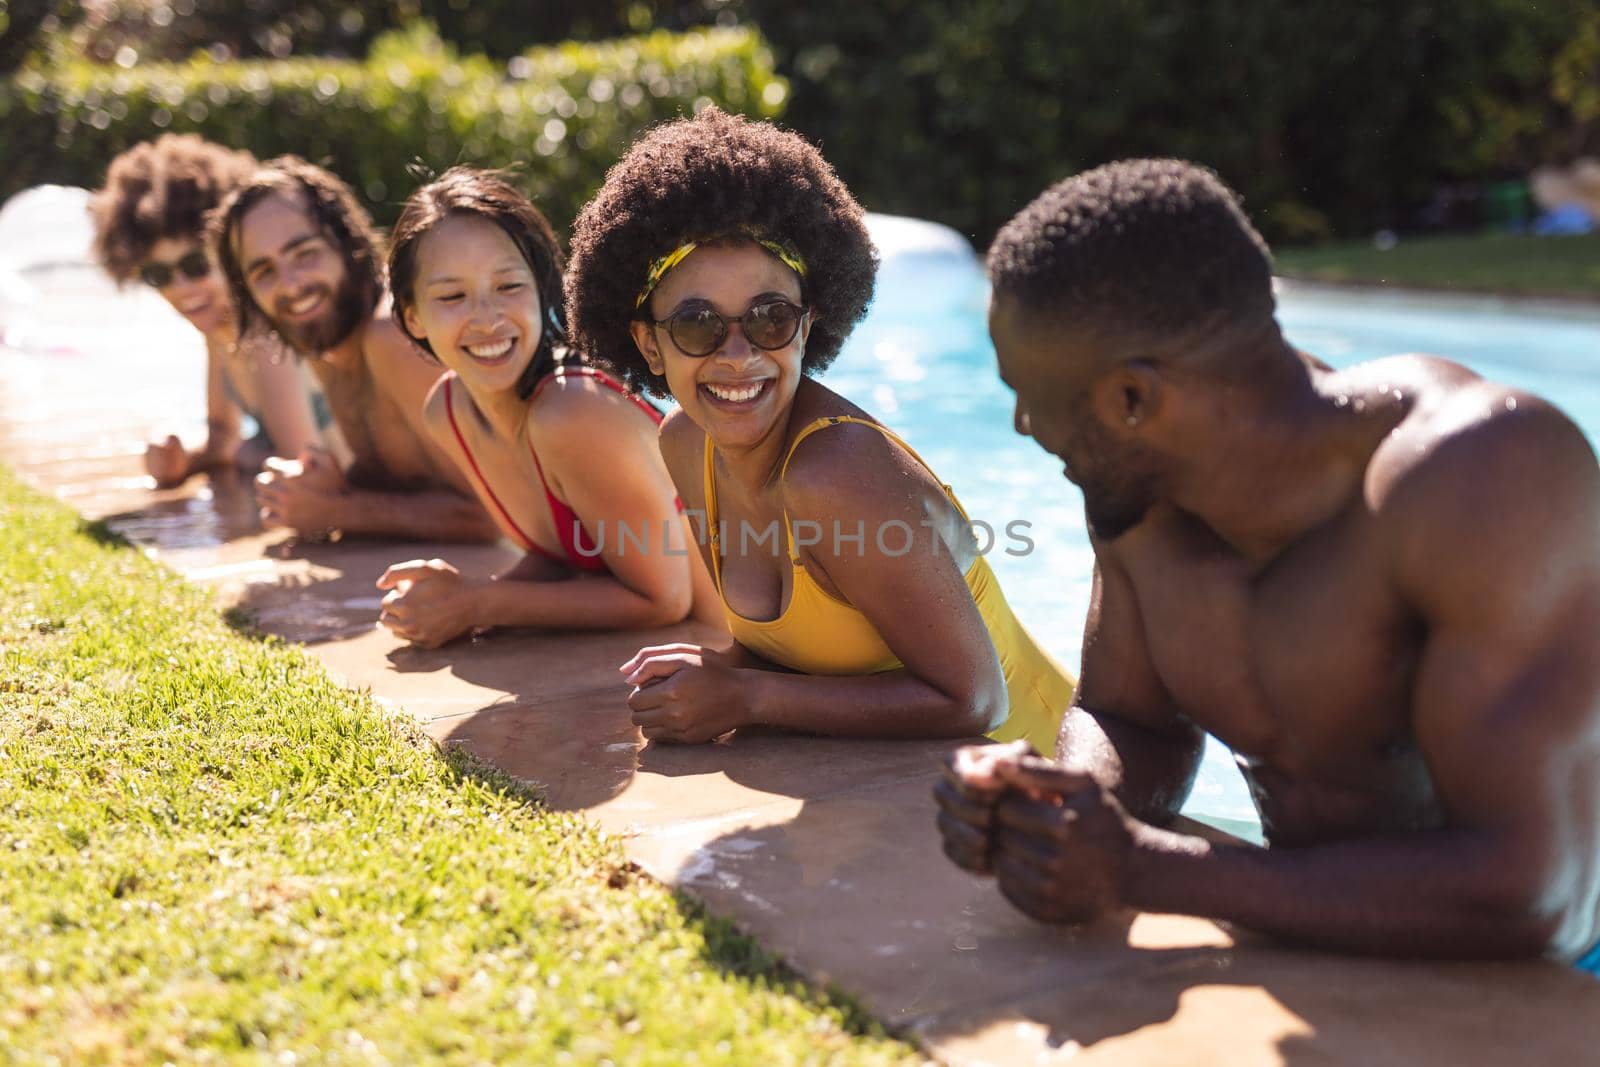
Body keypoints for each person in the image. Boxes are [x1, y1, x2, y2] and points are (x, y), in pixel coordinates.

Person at [934, 158, 1600, 967]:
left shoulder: (1482, 480)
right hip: (1331, 948)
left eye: (1031, 393)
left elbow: (1536, 891)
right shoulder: (1136, 488)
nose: (1021, 424)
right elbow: (1133, 719)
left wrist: (1146, 869)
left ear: (1134, 401)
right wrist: (1061, 809)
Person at [565, 108, 1072, 751]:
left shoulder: (840, 471)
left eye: (770, 318)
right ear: (650, 344)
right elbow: (798, 651)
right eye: (697, 323)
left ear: (807, 327)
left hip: (1051, 781)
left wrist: (744, 696)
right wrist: (726, 670)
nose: (737, 354)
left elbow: (974, 699)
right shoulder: (685, 444)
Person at [375, 167, 721, 647]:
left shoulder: (574, 410)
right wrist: (454, 597)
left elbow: (664, 599)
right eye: (453, 296)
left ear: (542, 290)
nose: (488, 318)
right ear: (412, 317)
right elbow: (568, 551)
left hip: (754, 649)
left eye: (509, 286)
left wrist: (477, 603)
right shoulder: (449, 412)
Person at [209, 157, 496, 542]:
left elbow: (493, 517)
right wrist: (334, 486)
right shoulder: (323, 340)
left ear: (346, 240)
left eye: (304, 253)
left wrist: (336, 510)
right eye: (264, 272)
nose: (291, 285)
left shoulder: (392, 336)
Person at [90, 134, 323, 487]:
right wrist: (182, 462)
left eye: (196, 265)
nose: (182, 288)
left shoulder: (264, 334)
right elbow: (222, 438)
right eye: (159, 275)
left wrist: (251, 454)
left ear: (233, 251)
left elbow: (305, 468)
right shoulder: (221, 330)